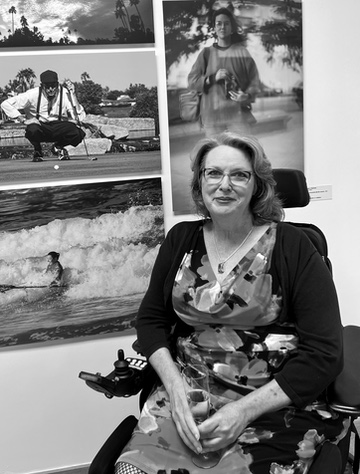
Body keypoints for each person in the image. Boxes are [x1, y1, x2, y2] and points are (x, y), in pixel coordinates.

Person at [115, 132, 347, 474]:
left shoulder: (293, 246)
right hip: (189, 399)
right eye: (213, 173)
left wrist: (242, 412)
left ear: (257, 185)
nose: (225, 185)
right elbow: (150, 321)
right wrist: (175, 392)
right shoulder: (180, 240)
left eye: (239, 174)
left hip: (273, 401)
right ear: (200, 183)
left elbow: (325, 352)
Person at [187, 8, 260, 137]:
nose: (222, 27)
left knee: (243, 152)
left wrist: (247, 96)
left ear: (232, 28)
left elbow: (254, 81)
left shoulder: (242, 53)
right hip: (212, 118)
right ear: (214, 28)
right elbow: (192, 81)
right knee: (216, 155)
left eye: (226, 23)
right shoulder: (206, 53)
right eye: (218, 23)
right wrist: (213, 78)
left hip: (238, 117)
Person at [1, 70, 86, 162]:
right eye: (47, 86)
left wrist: (73, 95)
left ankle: (58, 147)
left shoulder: (65, 93)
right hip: (41, 126)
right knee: (32, 129)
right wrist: (23, 120)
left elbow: (80, 117)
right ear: (42, 86)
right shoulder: (32, 94)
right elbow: (5, 104)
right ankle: (38, 150)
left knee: (78, 133)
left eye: (53, 86)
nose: (50, 89)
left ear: (57, 85)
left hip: (57, 126)